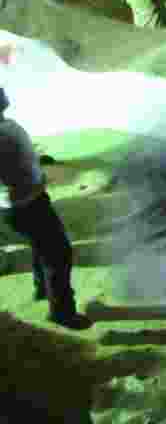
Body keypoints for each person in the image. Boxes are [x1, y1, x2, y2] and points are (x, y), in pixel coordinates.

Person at [0, 81, 91, 330]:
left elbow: (21, 158)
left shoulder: (7, 127)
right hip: (28, 204)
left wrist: (35, 162)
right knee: (58, 254)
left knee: (41, 245)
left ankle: (42, 289)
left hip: (20, 205)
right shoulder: (4, 132)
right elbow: (15, 168)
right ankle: (62, 312)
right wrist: (36, 175)